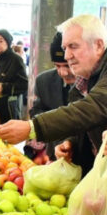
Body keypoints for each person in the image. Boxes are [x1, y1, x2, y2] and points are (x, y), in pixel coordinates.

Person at [0, 14, 107, 176]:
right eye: (65, 48)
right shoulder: (83, 83)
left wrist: (32, 128)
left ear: (99, 45)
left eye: (73, 46)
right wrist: (71, 144)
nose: (67, 55)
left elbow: (96, 108)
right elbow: (88, 124)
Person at [25, 32, 76, 160]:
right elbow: (36, 110)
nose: (63, 72)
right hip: (54, 154)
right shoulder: (44, 81)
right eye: (57, 66)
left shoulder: (93, 83)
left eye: (68, 66)